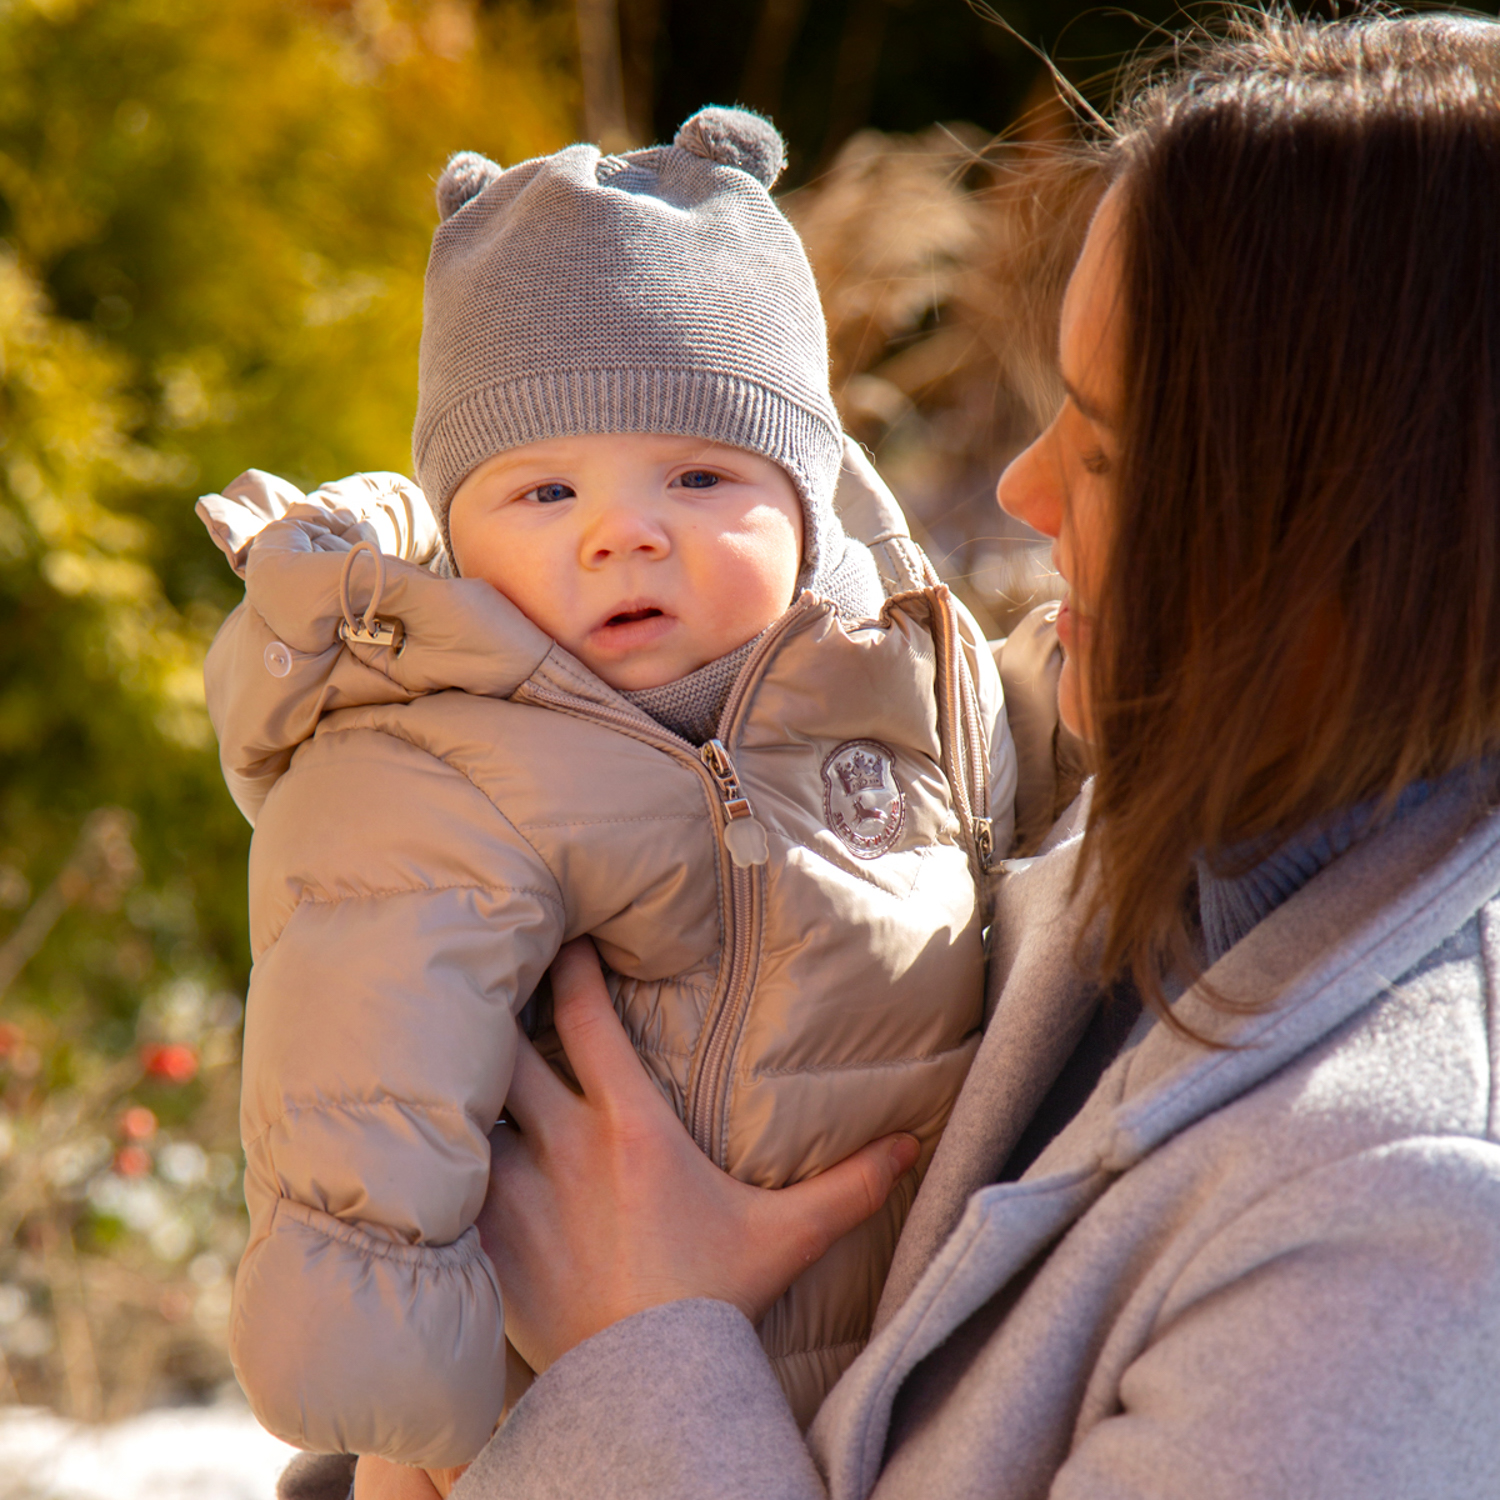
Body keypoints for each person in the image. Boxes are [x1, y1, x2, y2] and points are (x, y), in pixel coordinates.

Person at [403, 13, 1500, 1499]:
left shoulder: (1404, 1236)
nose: (1022, 486)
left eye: (1109, 450)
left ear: (1369, 530)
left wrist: (634, 1346)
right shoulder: (1084, 810)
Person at [196, 105, 1021, 1492]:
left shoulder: (904, 688)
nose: (621, 530)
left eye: (701, 476)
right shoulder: (442, 752)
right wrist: (405, 1408)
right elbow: (362, 1046)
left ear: (811, 504)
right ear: (457, 531)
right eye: (543, 488)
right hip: (567, 1407)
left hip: (880, 1403)